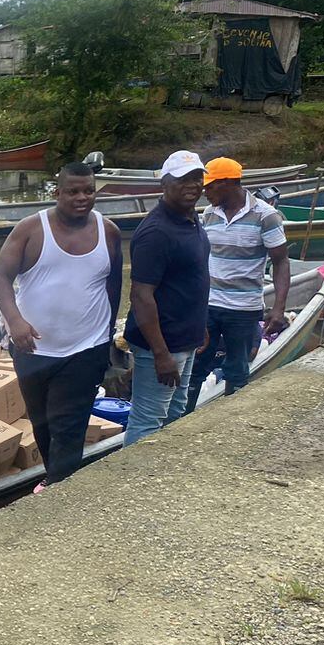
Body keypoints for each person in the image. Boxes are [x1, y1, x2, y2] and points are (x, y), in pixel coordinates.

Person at [0, 161, 122, 486]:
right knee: (42, 422)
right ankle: (55, 481)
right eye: (73, 191)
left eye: (89, 191)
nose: (82, 198)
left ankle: (59, 492)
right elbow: (1, 279)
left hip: (85, 349)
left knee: (69, 425)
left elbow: (114, 286)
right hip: (32, 348)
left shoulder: (109, 231)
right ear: (57, 192)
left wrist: (106, 339)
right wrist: (15, 322)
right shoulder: (30, 230)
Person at [184, 157, 290, 411]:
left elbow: (281, 262)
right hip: (208, 305)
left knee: (237, 369)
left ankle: (230, 416)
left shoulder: (266, 216)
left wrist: (278, 309)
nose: (204, 192)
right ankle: (181, 420)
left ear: (229, 183)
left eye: (210, 186)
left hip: (243, 309)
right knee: (195, 367)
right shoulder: (209, 214)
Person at [122, 150, 211, 445]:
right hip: (161, 346)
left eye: (197, 178)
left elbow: (192, 278)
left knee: (176, 412)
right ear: (165, 184)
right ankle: (131, 482)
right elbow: (140, 295)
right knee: (148, 420)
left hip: (186, 338)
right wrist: (161, 354)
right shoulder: (156, 232)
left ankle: (160, 474)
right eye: (183, 179)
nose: (193, 185)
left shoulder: (191, 218)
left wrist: (201, 326)